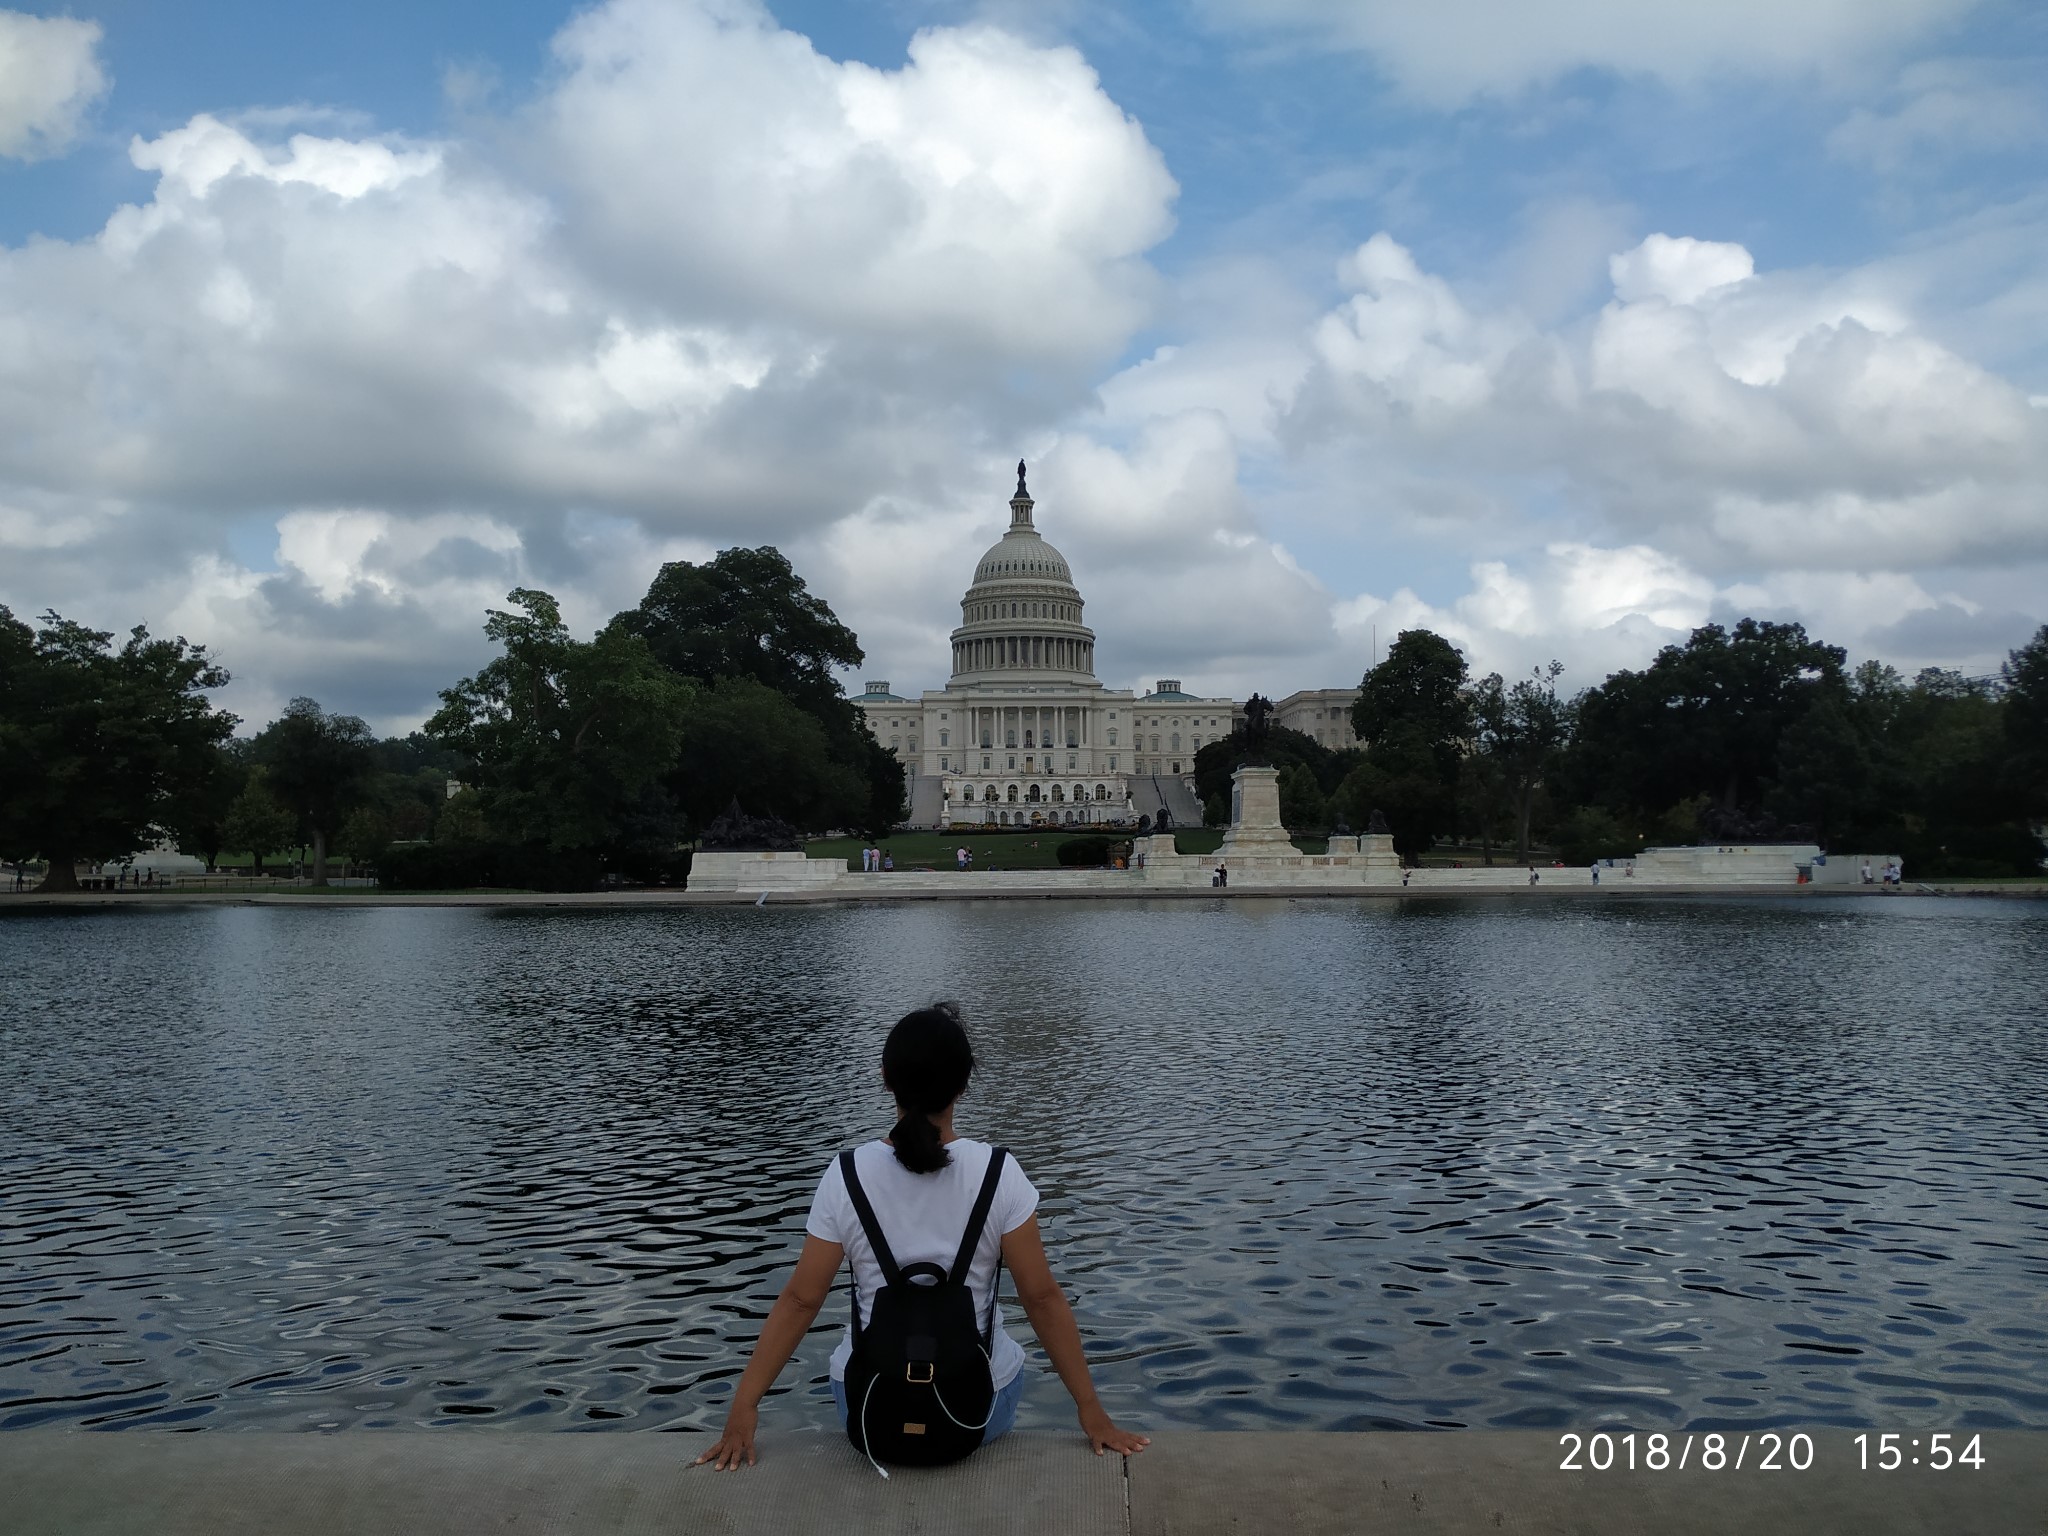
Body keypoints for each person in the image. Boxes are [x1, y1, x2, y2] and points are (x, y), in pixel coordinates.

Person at [697, 1006, 1149, 1471]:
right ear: (963, 1086)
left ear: (885, 1078)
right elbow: (1041, 1299)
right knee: (1006, 1361)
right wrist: (1092, 1414)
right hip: (974, 1411)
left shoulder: (846, 1174)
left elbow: (799, 1301)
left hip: (870, 1405)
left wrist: (744, 1407)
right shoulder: (998, 1173)